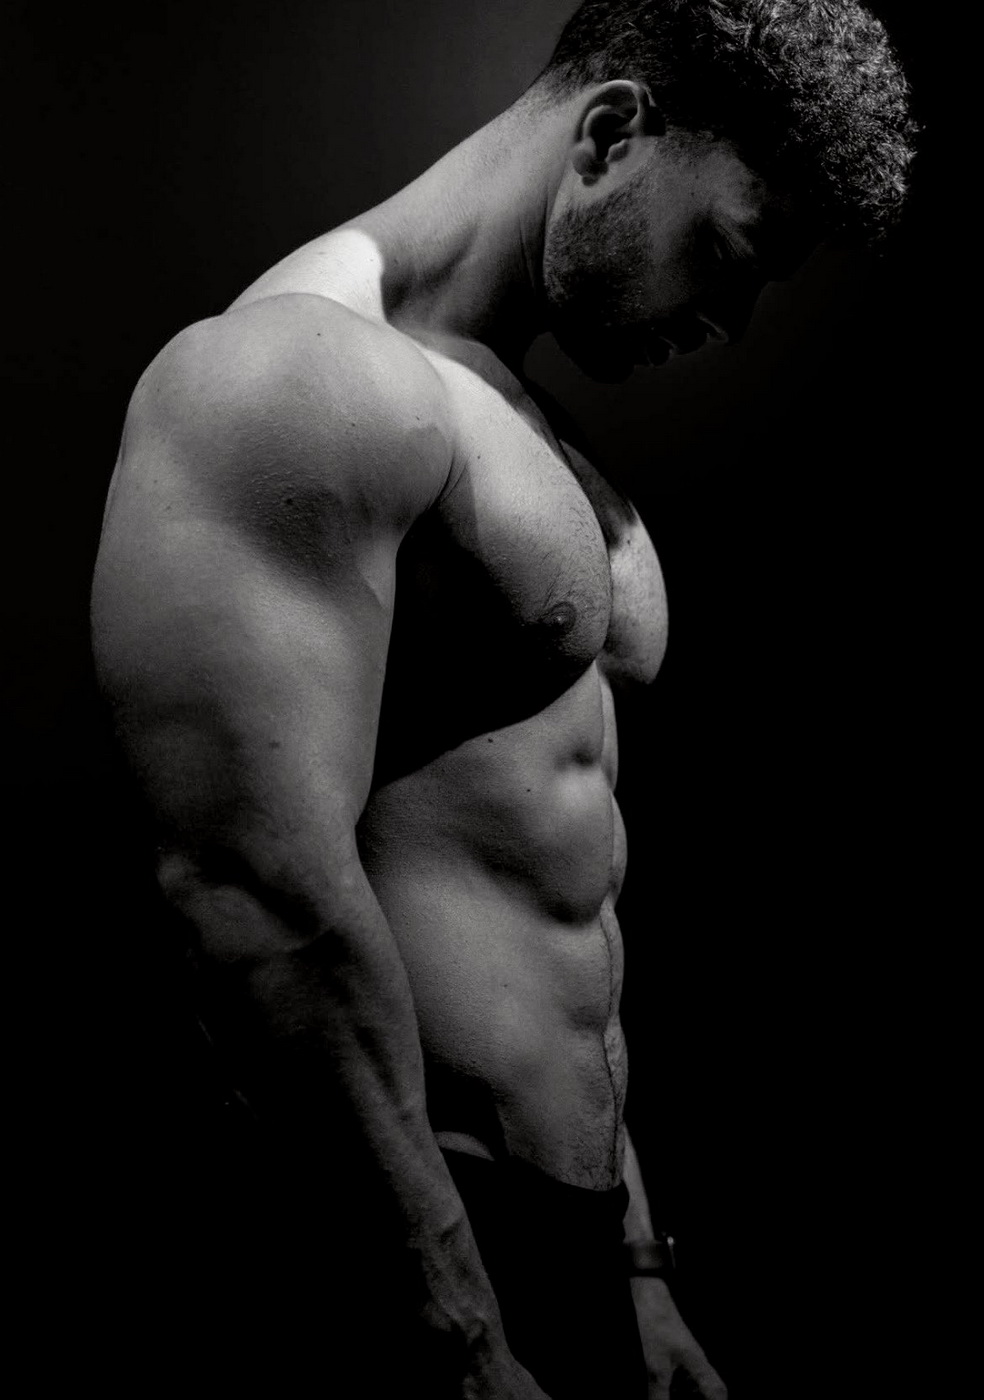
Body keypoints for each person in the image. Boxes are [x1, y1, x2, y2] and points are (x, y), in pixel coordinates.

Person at [90, 2, 915, 1395]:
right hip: (402, 1249)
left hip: (563, 1248)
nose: (731, 323)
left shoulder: (510, 414)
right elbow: (249, 897)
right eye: (732, 255)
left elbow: (550, 873)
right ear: (610, 134)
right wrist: (459, 1332)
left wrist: (634, 1265)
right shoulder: (291, 378)